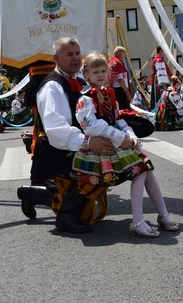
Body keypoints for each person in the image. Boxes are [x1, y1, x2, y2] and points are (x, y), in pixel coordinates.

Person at [16, 37, 116, 234]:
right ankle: (66, 215)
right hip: (55, 148)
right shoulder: (51, 86)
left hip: (71, 143)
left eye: (78, 53)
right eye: (69, 54)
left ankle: (32, 195)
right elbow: (56, 130)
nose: (76, 58)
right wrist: (88, 143)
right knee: (94, 167)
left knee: (108, 159)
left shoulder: (78, 80)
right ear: (56, 58)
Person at [72, 53, 178, 237]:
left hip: (116, 141)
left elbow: (118, 119)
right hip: (101, 147)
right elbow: (90, 126)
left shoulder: (109, 94)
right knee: (141, 169)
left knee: (146, 169)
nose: (100, 75)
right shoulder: (85, 99)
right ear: (86, 75)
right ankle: (138, 220)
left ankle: (163, 214)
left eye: (103, 71)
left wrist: (130, 134)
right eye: (95, 71)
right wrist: (120, 137)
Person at [108, 46, 133, 110]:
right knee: (124, 109)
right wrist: (127, 92)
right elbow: (120, 79)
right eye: (124, 54)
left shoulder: (111, 62)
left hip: (114, 90)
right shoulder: (118, 63)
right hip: (120, 90)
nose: (124, 56)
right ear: (121, 54)